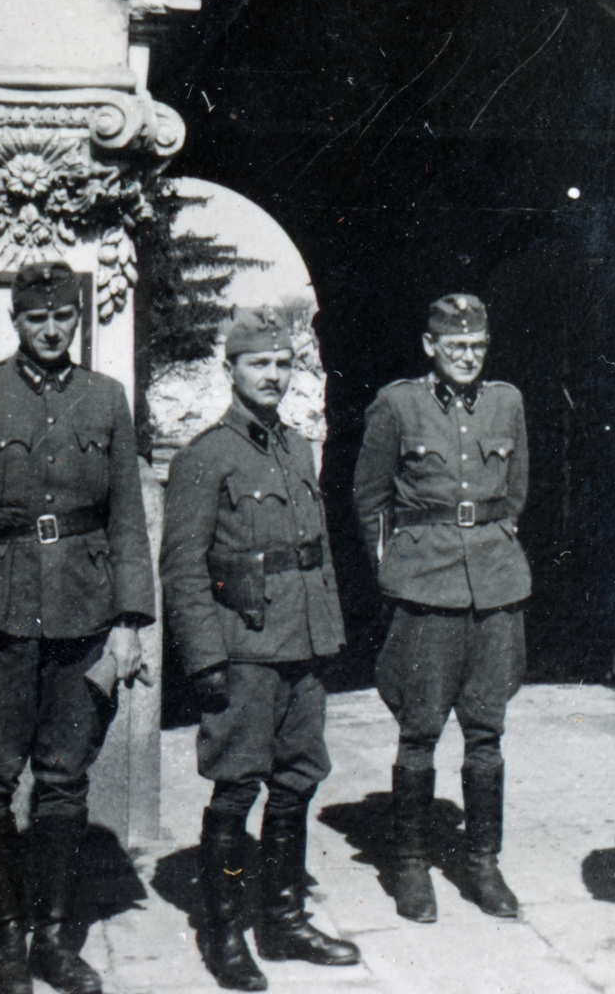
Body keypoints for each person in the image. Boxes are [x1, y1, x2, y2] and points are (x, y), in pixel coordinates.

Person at [0, 260, 155, 994]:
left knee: (64, 779)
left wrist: (129, 623)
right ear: (14, 320)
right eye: (36, 318)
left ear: (78, 319)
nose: (51, 330)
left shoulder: (106, 399)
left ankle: (52, 937)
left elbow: (127, 522)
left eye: (63, 318)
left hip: (82, 617)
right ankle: (6, 939)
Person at [160, 307, 358, 992]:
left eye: (282, 363)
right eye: (258, 364)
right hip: (243, 646)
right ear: (232, 370)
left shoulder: (298, 448)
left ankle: (282, 920)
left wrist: (327, 631)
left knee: (298, 777)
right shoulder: (205, 457)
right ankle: (223, 934)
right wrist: (204, 659)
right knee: (237, 783)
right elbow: (182, 567)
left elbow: (317, 550)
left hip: (302, 642)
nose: (273, 375)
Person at [353, 293, 530, 924]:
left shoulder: (507, 402)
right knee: (419, 732)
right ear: (430, 346)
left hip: (495, 586)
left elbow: (515, 496)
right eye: (455, 346)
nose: (467, 356)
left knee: (487, 733)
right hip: (424, 587)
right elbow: (370, 500)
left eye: (477, 346)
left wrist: (490, 543)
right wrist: (393, 574)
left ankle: (484, 864)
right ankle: (411, 866)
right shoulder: (399, 405)